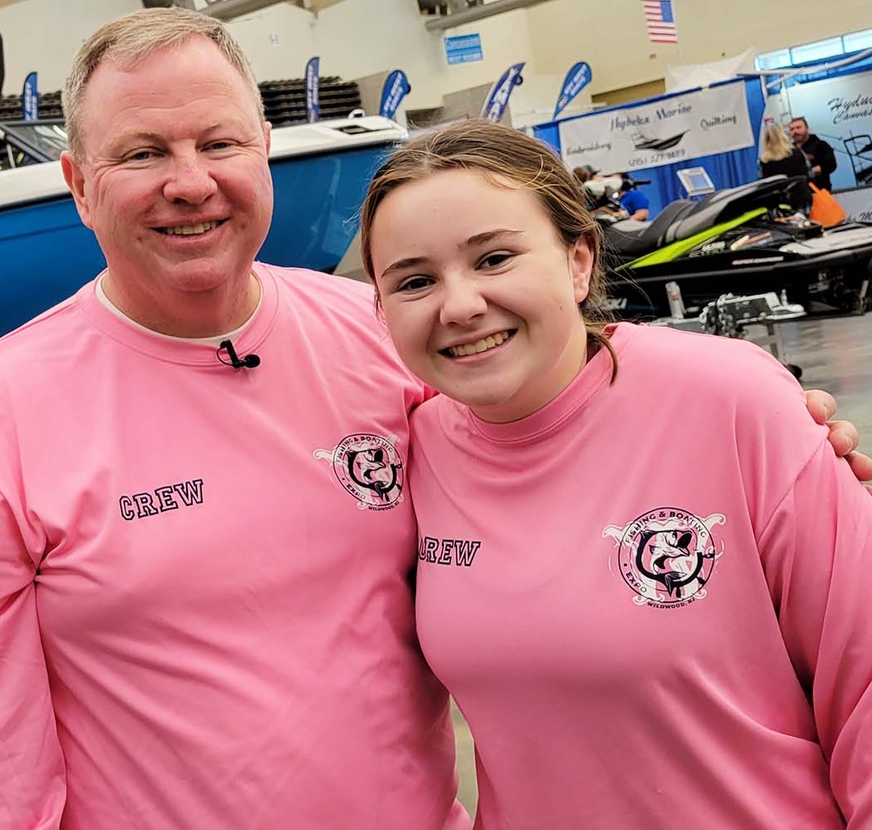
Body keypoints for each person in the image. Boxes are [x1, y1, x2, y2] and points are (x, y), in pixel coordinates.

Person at [0, 9, 870, 829]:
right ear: (77, 184)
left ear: (262, 153)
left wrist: (762, 431)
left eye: (218, 143)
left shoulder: (375, 338)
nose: (188, 180)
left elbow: (548, 408)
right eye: (143, 152)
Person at [360, 119, 872, 829]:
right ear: (381, 310)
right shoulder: (410, 454)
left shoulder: (731, 403)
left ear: (578, 262)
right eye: (415, 280)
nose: (460, 304)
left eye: (495, 258)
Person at [759, 122, 815, 213]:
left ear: (766, 139)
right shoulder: (798, 153)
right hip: (801, 200)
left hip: (778, 205)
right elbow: (810, 175)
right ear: (783, 135)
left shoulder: (763, 161)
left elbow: (763, 185)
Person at [790, 116, 839, 191]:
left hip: (820, 193)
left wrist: (809, 172)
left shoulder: (820, 145)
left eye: (798, 127)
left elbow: (830, 165)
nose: (795, 131)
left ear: (807, 129)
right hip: (797, 196)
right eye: (792, 129)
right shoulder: (788, 151)